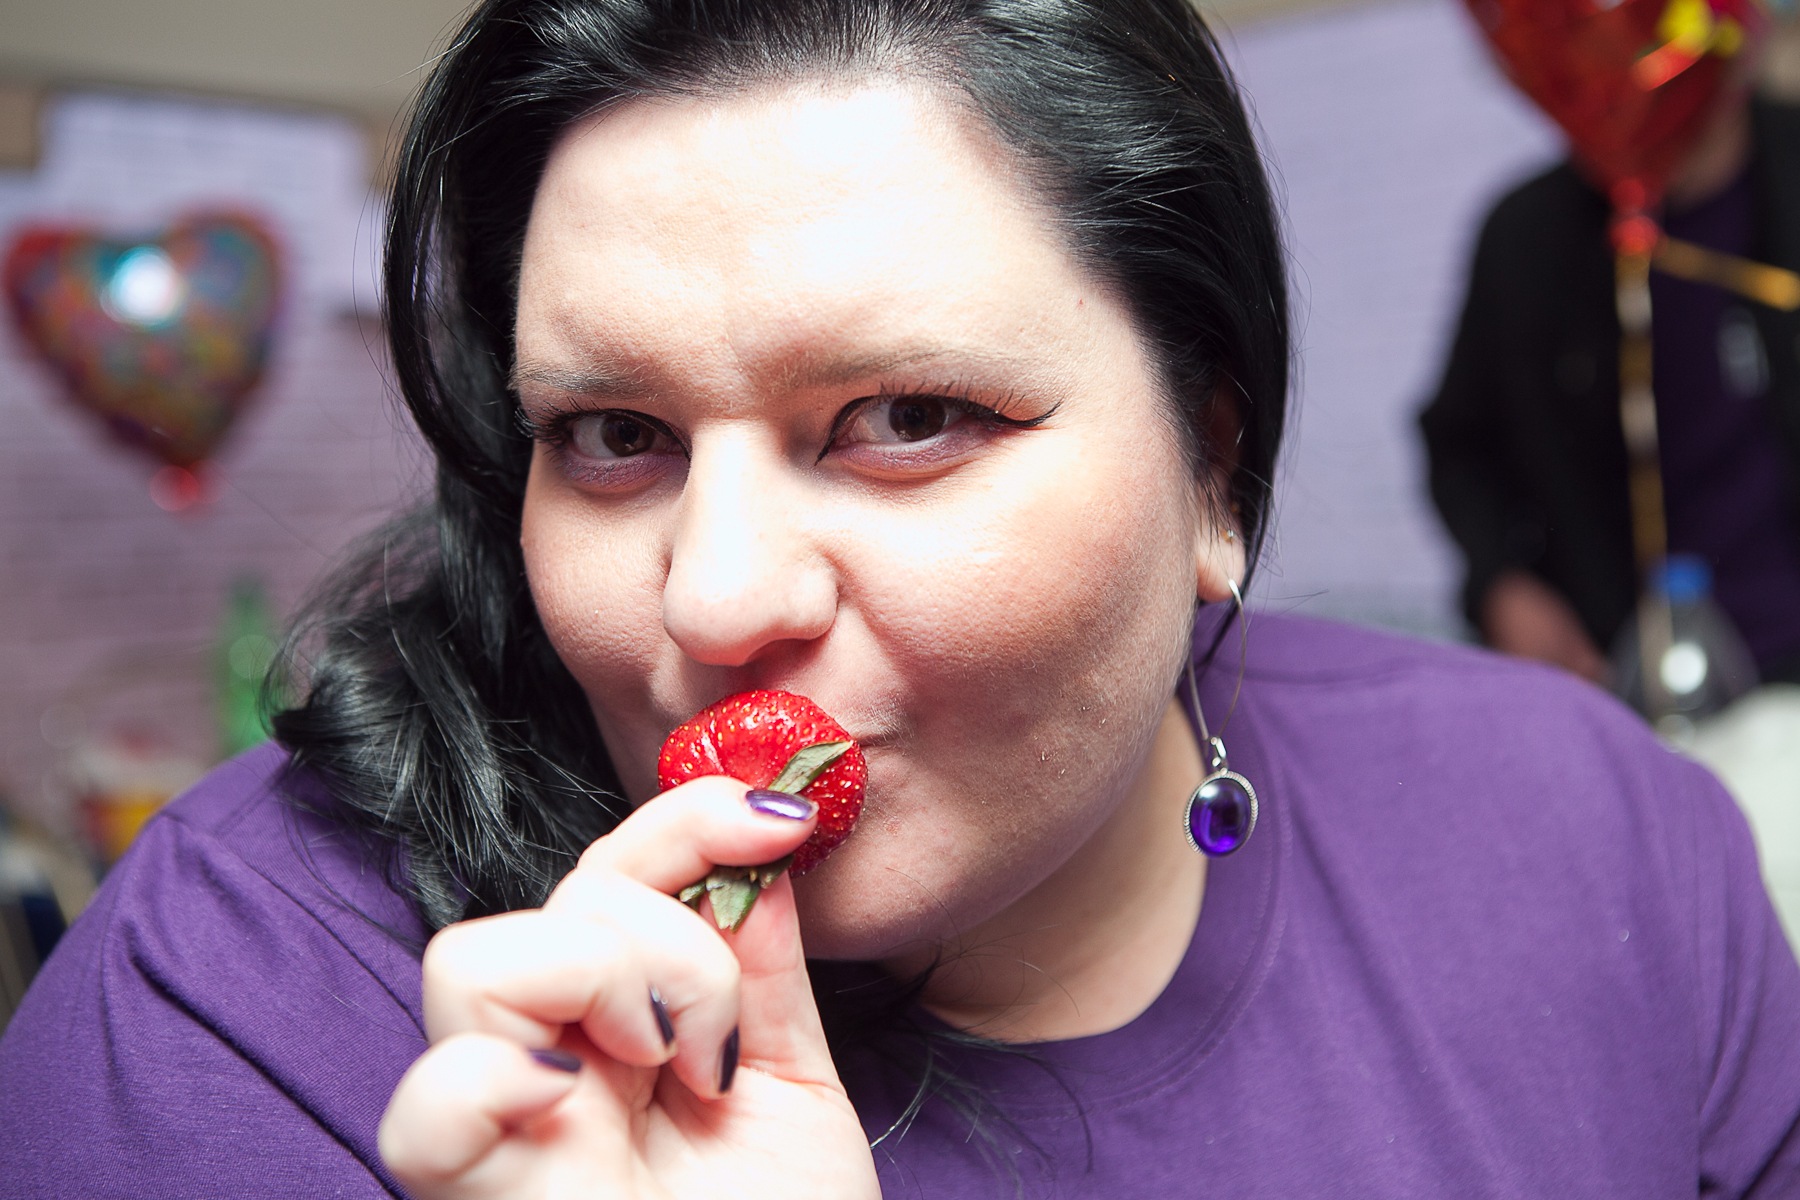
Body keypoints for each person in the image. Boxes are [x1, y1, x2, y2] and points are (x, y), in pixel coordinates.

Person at [2, 2, 1797, 1196]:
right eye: (613, 435)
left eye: (909, 419)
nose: (715, 599)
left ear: (1213, 473)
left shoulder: (1605, 843)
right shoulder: (241, 1004)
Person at [1419, 84, 1800, 686]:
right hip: (1628, 680)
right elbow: (1460, 447)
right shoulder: (1527, 238)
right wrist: (1501, 585)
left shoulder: (1781, 168)